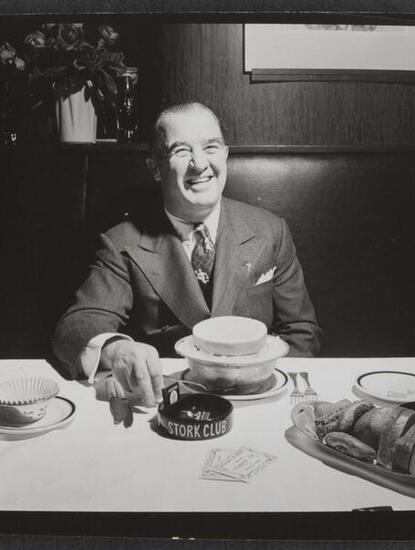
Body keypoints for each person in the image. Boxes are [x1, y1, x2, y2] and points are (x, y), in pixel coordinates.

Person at [52, 102, 322, 406]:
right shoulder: (121, 242)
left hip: (258, 396)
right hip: (169, 402)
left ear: (225, 155)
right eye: (182, 151)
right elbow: (77, 327)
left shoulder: (271, 230)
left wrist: (264, 389)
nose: (200, 164)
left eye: (211, 147)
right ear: (156, 168)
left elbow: (302, 332)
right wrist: (117, 350)